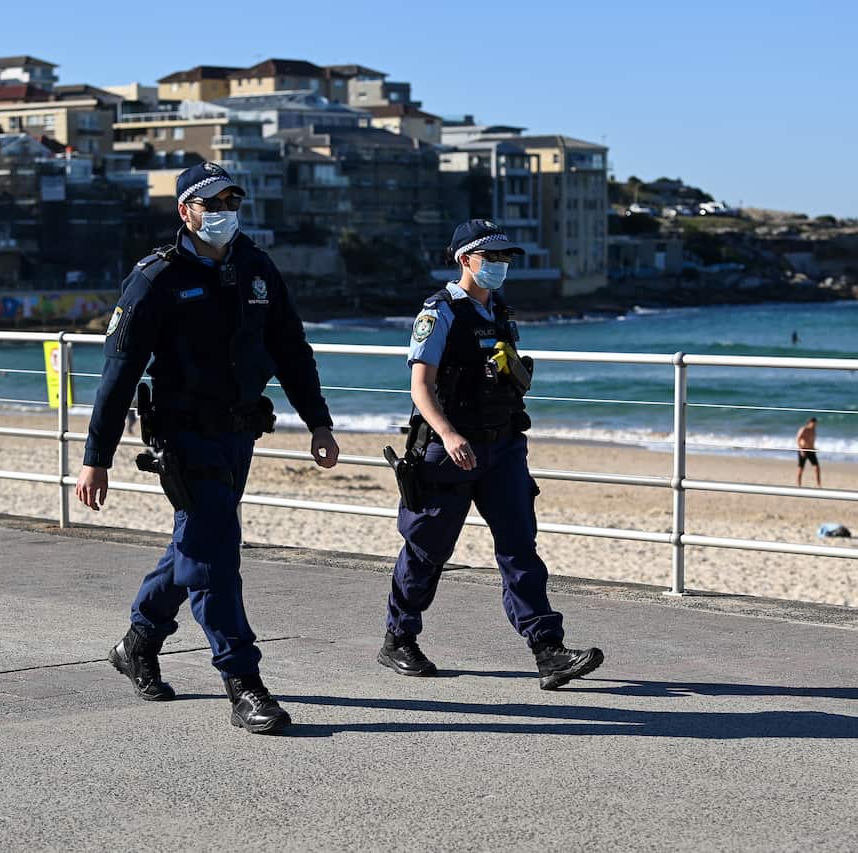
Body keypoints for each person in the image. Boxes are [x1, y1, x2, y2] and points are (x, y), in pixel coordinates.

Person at [74, 162, 340, 734]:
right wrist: (98, 456)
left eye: (231, 199)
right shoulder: (156, 277)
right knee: (216, 554)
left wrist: (318, 422)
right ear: (185, 212)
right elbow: (119, 372)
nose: (223, 210)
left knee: (195, 545)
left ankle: (137, 642)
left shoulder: (255, 266)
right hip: (183, 435)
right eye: (210, 202)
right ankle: (243, 681)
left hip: (239, 431)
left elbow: (291, 348)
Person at [378, 219, 604, 690]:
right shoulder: (438, 313)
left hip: (502, 448)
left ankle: (548, 651)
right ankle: (399, 638)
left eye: (506, 258)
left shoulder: (499, 310)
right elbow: (420, 386)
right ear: (466, 260)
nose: (501, 265)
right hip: (449, 451)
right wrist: (449, 434)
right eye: (492, 257)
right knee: (427, 550)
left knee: (520, 548)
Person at [795, 416, 821, 487]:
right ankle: (798, 484)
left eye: (816, 424)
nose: (815, 425)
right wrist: (801, 450)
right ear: (810, 422)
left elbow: (811, 442)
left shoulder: (814, 430)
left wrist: (814, 449)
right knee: (801, 468)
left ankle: (818, 484)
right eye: (814, 423)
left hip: (811, 450)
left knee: (817, 467)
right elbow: (797, 439)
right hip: (803, 450)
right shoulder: (804, 429)